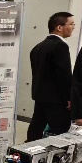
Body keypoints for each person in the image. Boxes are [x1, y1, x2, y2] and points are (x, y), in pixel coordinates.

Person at [27, 12, 74, 142]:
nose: (73, 27)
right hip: (56, 99)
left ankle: (29, 150)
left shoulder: (38, 47)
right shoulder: (61, 46)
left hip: (40, 96)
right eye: (71, 24)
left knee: (36, 126)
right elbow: (64, 75)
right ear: (59, 27)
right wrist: (69, 97)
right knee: (61, 131)